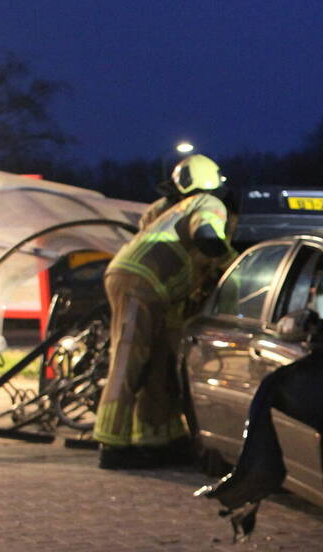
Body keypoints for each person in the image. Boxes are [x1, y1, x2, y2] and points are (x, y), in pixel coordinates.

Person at [94, 154, 236, 469]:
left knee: (157, 363)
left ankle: (157, 438)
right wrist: (231, 263)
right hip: (142, 282)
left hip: (152, 287)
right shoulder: (209, 204)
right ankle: (111, 443)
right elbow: (209, 238)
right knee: (130, 357)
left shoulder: (167, 208)